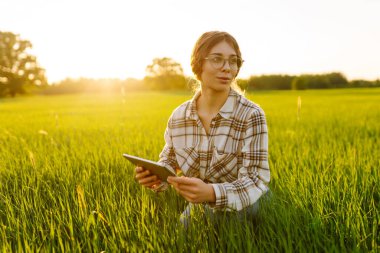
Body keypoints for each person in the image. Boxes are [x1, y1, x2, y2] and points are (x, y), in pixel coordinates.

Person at [135, 31, 270, 227]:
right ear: (198, 64)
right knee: (184, 234)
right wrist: (156, 176)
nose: (227, 68)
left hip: (247, 201)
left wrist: (211, 193)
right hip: (202, 203)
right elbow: (170, 160)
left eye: (233, 61)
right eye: (217, 59)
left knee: (226, 228)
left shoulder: (251, 115)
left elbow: (255, 180)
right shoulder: (179, 117)